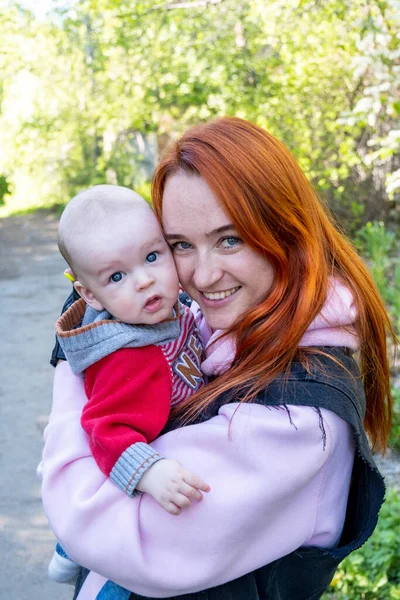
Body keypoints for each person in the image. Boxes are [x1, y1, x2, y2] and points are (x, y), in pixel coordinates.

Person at [40, 117, 395, 600]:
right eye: (180, 245)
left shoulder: (294, 419)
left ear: (286, 232)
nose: (203, 276)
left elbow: (96, 520)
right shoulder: (225, 322)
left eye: (230, 239)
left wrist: (76, 362)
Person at [47, 185, 208, 585]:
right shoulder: (127, 358)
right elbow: (104, 430)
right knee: (122, 581)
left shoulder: (172, 309)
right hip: (131, 475)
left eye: (153, 257)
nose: (144, 281)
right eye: (116, 276)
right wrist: (148, 472)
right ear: (89, 295)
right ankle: (75, 550)